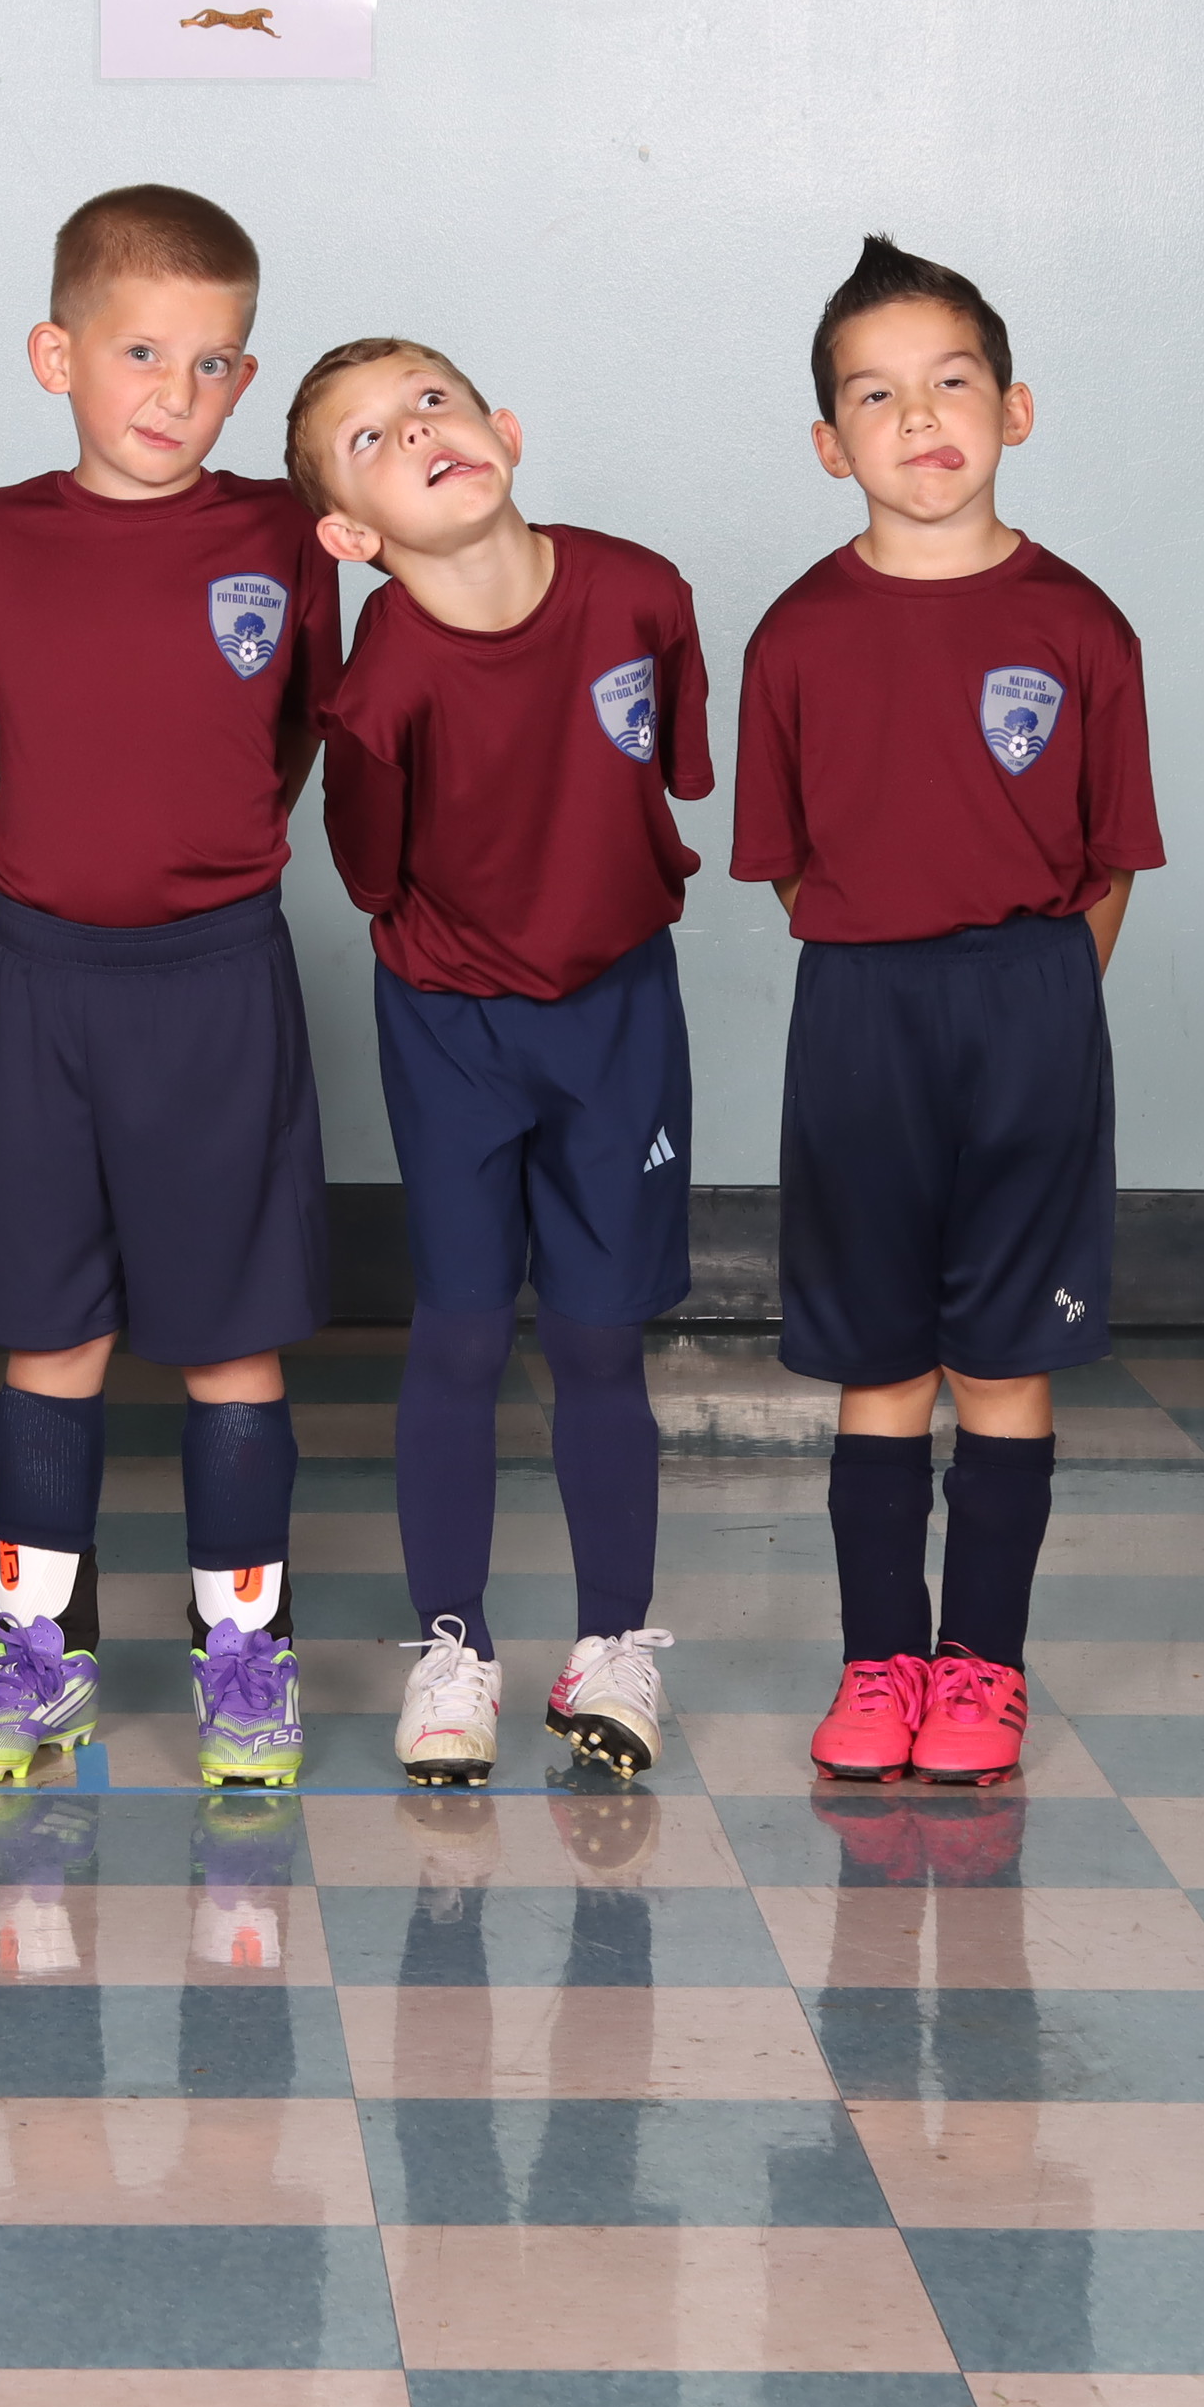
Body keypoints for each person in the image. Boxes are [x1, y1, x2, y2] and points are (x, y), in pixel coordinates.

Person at [740, 238, 1160, 1790]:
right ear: (828, 443)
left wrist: (1034, 1002)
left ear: (1016, 410)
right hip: (862, 1011)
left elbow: (1111, 864)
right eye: (877, 394)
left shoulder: (1081, 627)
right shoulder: (796, 635)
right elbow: (793, 870)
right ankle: (879, 1663)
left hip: (1032, 1004)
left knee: (1002, 1358)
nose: (919, 418)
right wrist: (903, 963)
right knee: (882, 1362)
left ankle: (981, 1665)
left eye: (952, 382)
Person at [0, 187, 339, 1788]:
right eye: (142, 353)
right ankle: (43, 1661)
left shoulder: (286, 539)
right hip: (41, 986)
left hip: (218, 982)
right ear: (58, 355)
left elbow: (292, 734)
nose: (178, 392)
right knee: (52, 1342)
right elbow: (10, 747)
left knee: (232, 1346)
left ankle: (247, 1664)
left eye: (216, 362)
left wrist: (206, 858)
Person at [293, 337, 714, 1782]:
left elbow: (671, 779)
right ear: (350, 536)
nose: (415, 433)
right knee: (465, 1330)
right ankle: (452, 1651)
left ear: (506, 430)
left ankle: (613, 1646)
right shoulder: (383, 682)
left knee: (599, 1336)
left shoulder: (643, 595)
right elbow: (373, 876)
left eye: (433, 402)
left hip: (618, 1009)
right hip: (454, 1023)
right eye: (368, 439)